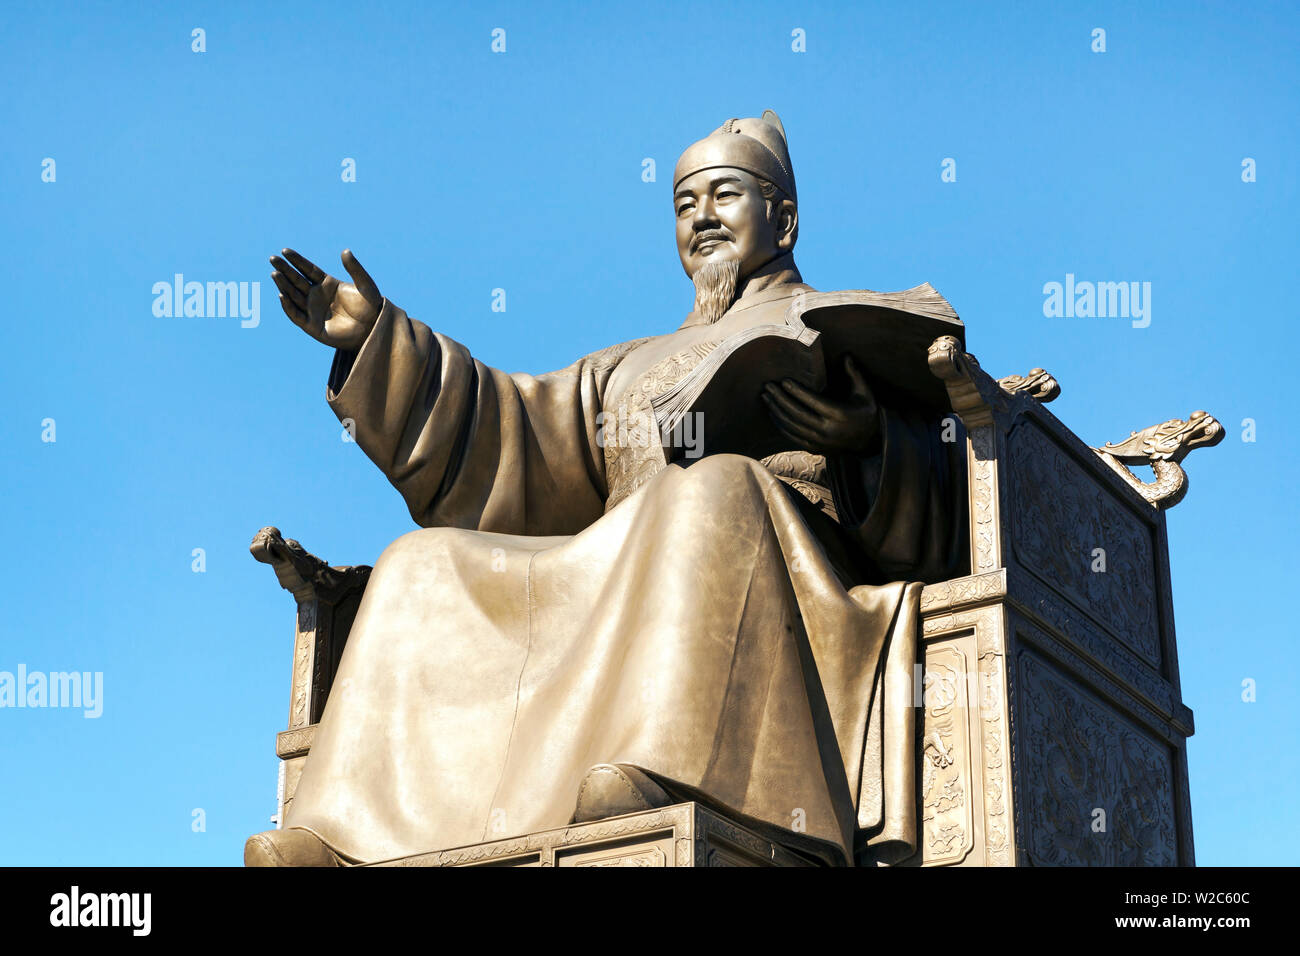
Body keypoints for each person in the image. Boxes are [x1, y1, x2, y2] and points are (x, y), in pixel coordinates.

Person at [245, 111, 966, 867]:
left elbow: (956, 467)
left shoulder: (835, 323)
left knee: (706, 490)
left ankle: (667, 771)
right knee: (419, 564)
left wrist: (869, 440)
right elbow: (512, 434)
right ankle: (346, 834)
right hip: (619, 566)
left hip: (792, 580)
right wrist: (380, 342)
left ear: (782, 219)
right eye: (685, 205)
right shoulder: (628, 366)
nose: (703, 219)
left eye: (726, 196)